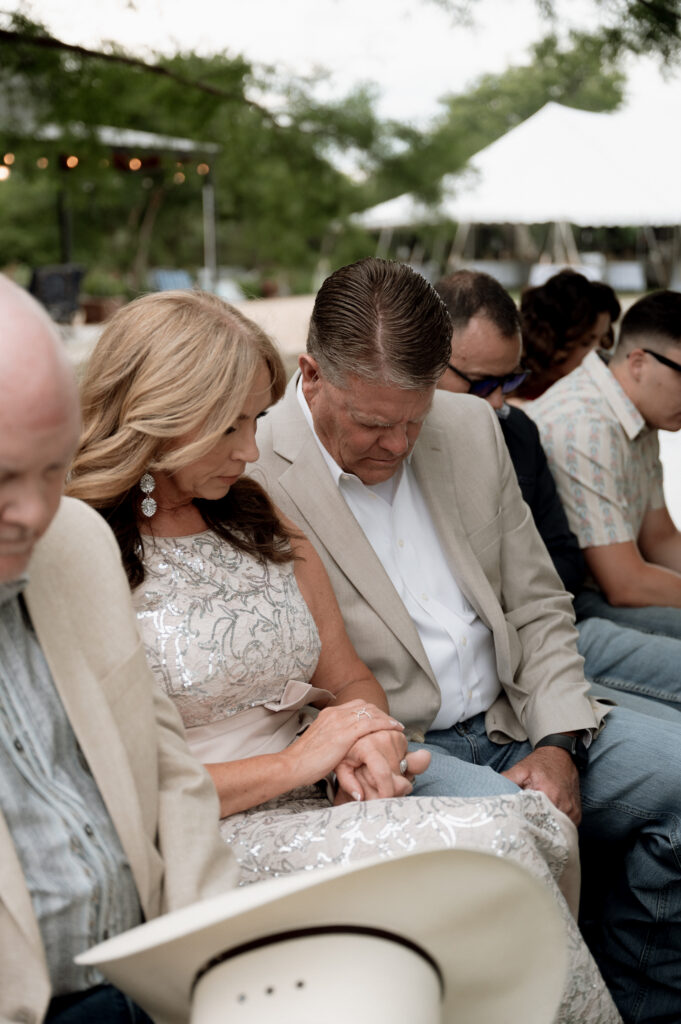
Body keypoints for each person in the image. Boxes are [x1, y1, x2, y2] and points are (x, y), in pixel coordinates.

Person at [67, 288, 619, 1024]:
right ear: (157, 415)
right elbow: (113, 786)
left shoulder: (257, 517)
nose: (250, 451)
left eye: (256, 421)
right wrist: (303, 759)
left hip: (322, 800)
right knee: (493, 844)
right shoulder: (78, 551)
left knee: (531, 826)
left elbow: (349, 677)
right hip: (201, 836)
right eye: (227, 427)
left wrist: (372, 739)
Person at [253, 256, 681, 1024]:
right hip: (402, 749)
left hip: (517, 714)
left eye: (413, 419)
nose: (397, 445)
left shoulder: (470, 425)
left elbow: (541, 604)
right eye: (373, 424)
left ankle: (645, 1002)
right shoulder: (254, 467)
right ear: (310, 374)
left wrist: (556, 740)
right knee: (516, 838)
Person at [0, 276, 240, 1024]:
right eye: (4, 477)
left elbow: (170, 774)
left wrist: (212, 969)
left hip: (156, 975)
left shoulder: (76, 542)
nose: (38, 512)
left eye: (54, 468)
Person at [435, 269, 681, 718]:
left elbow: (580, 556)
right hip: (549, 626)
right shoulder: (582, 423)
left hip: (551, 619)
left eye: (508, 382)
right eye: (483, 382)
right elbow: (623, 583)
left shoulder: (518, 433)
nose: (498, 403)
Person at [529, 288, 681, 638]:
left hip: (603, 592)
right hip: (564, 611)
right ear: (639, 363)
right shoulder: (584, 425)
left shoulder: (639, 410)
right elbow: (625, 584)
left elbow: (660, 538)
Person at [516, 269, 620, 399]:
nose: (597, 352)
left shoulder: (596, 388)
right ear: (550, 338)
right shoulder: (513, 398)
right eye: (586, 342)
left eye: (602, 339)